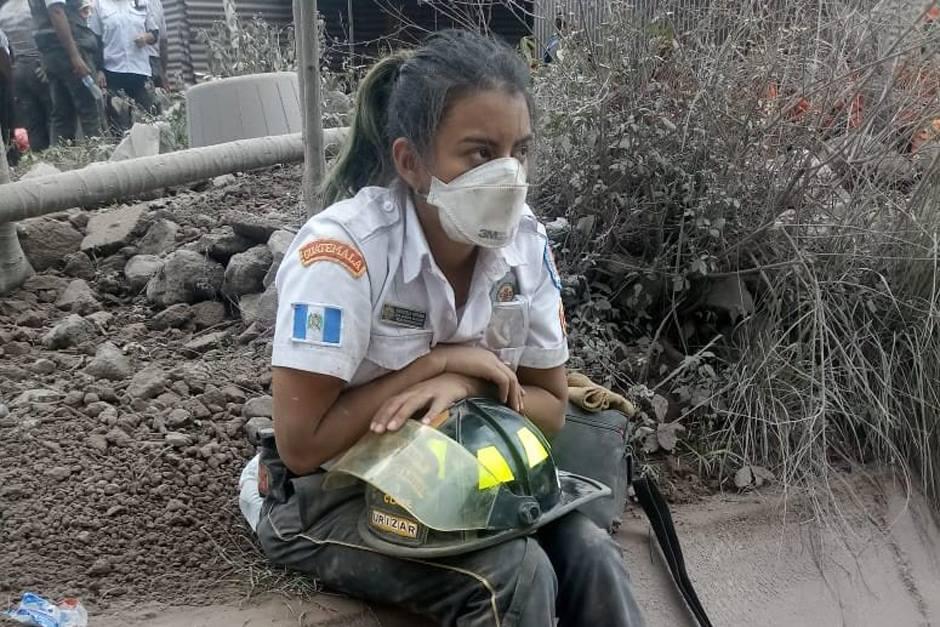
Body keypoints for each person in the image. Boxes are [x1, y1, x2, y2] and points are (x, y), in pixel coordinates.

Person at [243, 29, 646, 627]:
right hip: (324, 496)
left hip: (459, 480)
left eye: (520, 151)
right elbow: (302, 449)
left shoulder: (524, 245)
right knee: (513, 578)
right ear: (411, 162)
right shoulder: (343, 255)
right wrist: (438, 363)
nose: (508, 175)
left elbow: (552, 407)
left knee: (590, 554)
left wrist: (470, 384)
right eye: (481, 154)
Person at [27, 0, 102, 143]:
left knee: (62, 114)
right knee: (90, 110)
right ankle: (99, 157)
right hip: (68, 51)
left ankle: (61, 160)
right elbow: (56, 12)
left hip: (53, 52)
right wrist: (75, 56)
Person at [88, 0, 158, 128]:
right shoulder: (100, 4)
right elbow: (95, 41)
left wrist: (146, 37)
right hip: (112, 72)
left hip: (140, 72)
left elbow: (155, 34)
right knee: (117, 124)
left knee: (149, 120)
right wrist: (99, 69)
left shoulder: (142, 3)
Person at [0, 0, 52, 151]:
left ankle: (38, 158)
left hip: (18, 69)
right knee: (53, 114)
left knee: (33, 122)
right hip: (39, 64)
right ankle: (58, 155)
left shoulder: (4, 11)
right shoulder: (32, 5)